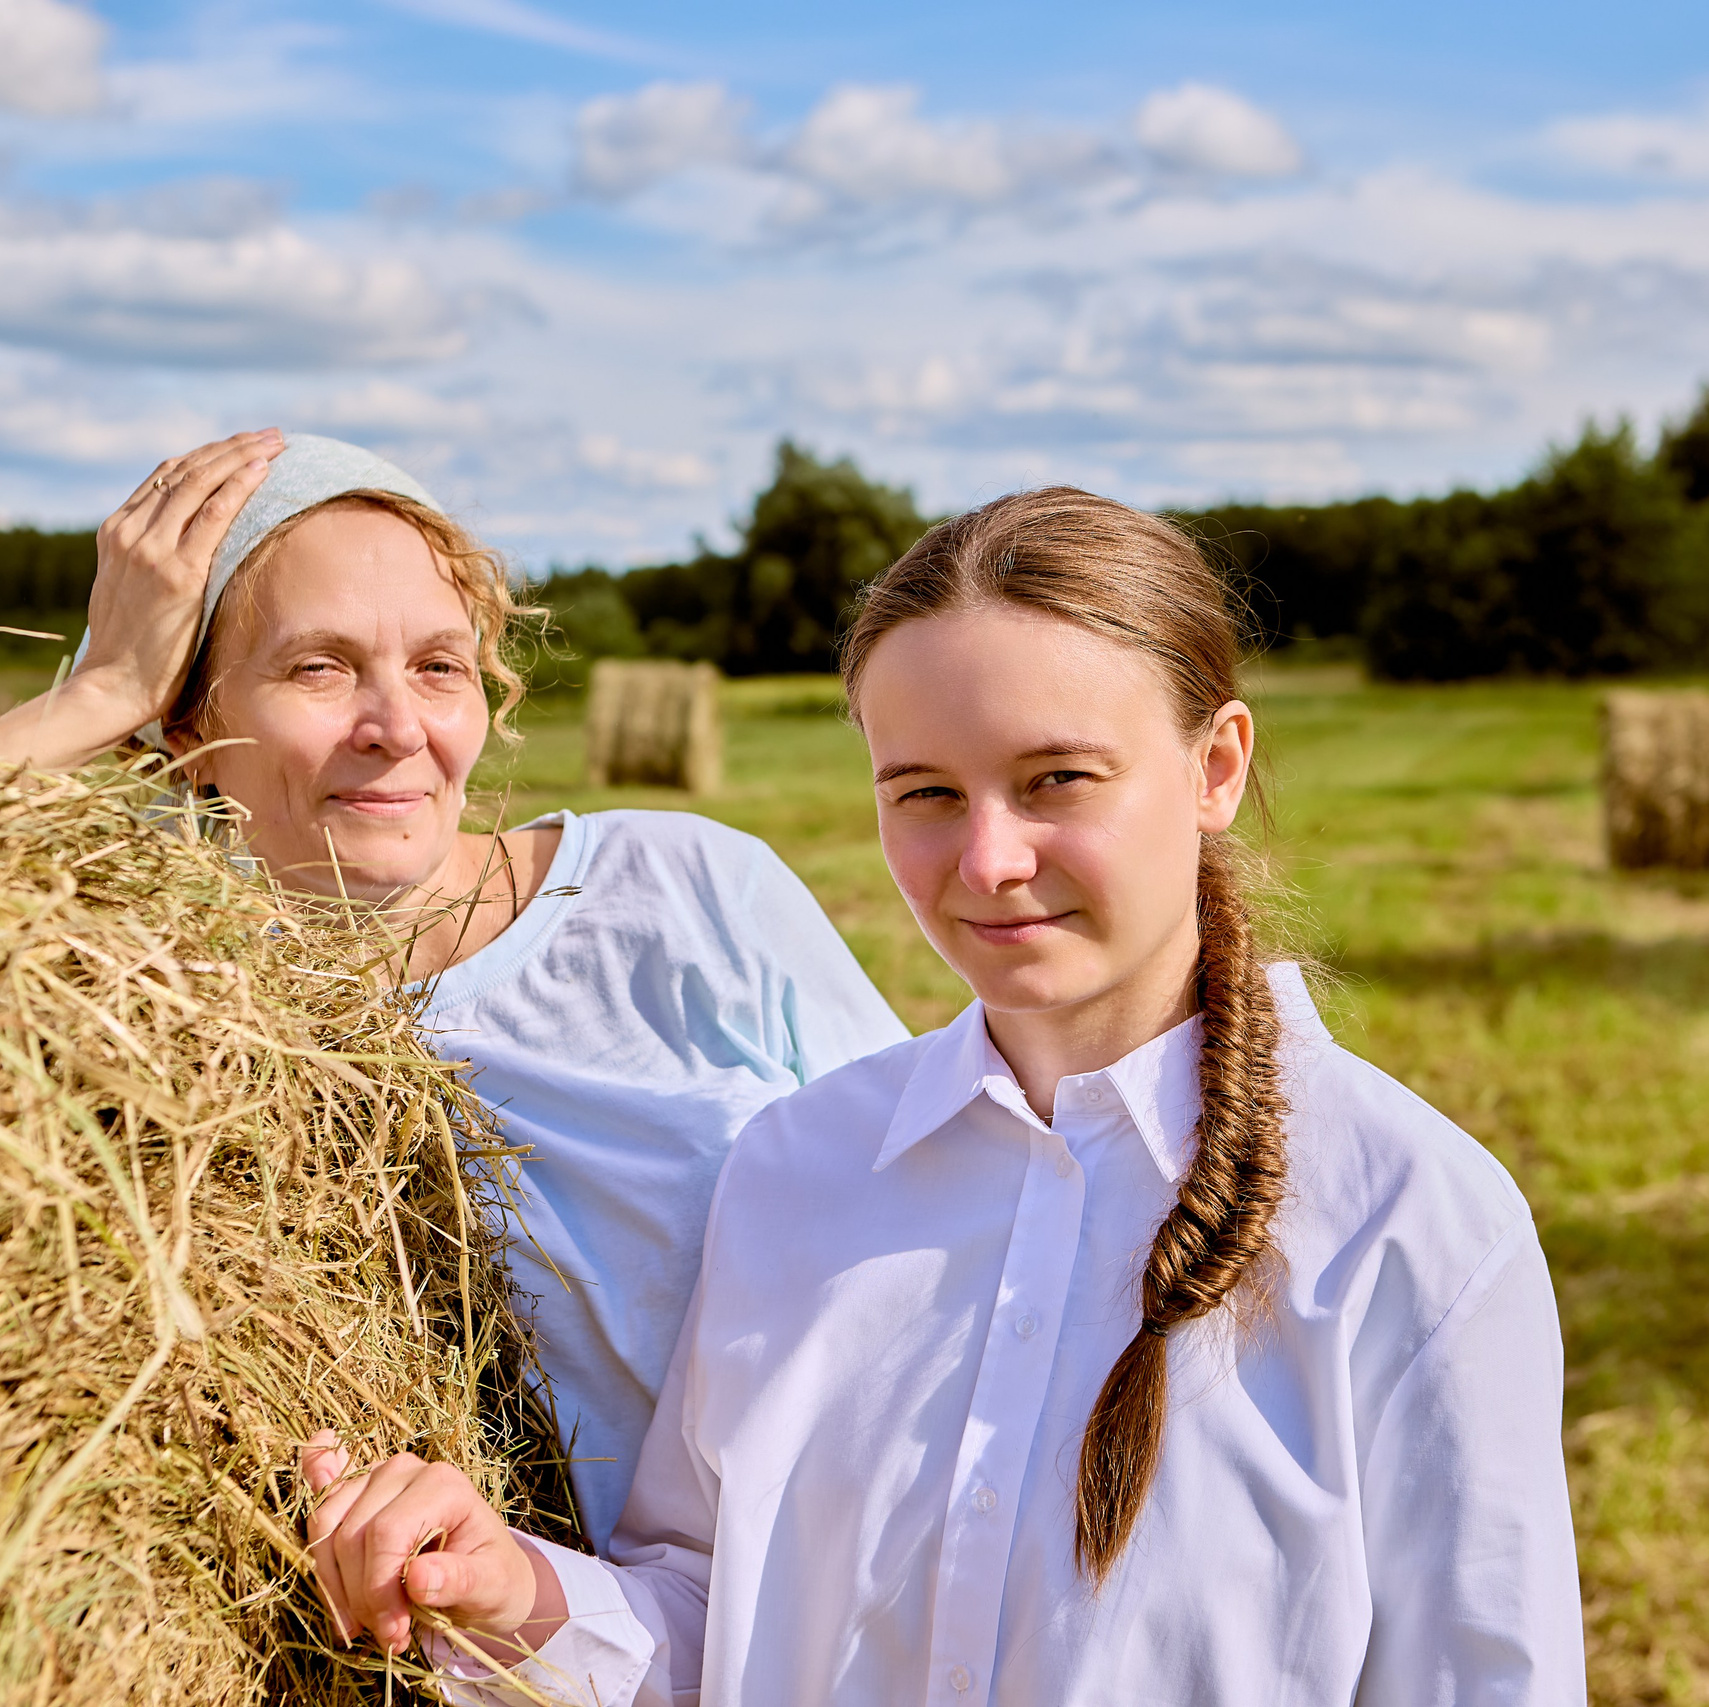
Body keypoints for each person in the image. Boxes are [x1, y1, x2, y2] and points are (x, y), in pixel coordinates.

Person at [302, 485, 1586, 1703]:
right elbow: (712, 1621)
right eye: (923, 795)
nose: (986, 860)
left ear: (1216, 767)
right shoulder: (794, 1173)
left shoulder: (1414, 1226)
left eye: (1055, 781)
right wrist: (510, 1587)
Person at [0, 429, 908, 1556]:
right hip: (544, 1648)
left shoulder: (683, 891)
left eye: (438, 666)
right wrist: (102, 690)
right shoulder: (156, 1008)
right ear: (188, 726)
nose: (399, 728)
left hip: (846, 1591)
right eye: (318, 668)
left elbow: (952, 1198)